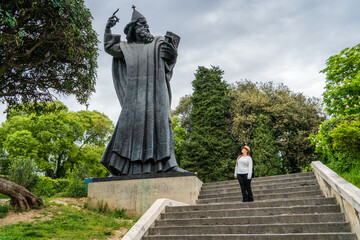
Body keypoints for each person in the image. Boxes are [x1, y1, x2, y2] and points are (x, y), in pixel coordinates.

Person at [101, 6, 186, 175]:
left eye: (146, 25)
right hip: (135, 97)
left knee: (162, 124)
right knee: (129, 128)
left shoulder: (159, 41)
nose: (145, 29)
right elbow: (110, 47)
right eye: (141, 26)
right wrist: (108, 28)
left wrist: (173, 56)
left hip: (157, 94)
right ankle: (120, 167)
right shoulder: (126, 47)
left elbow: (170, 58)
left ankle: (169, 165)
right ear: (133, 29)